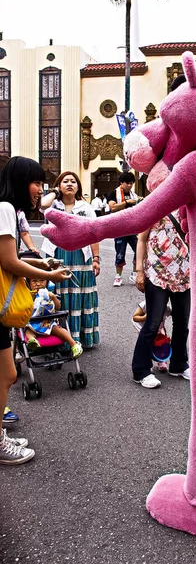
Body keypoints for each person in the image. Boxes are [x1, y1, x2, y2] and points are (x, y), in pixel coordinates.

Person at [0, 156, 71, 464]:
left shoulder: (8, 210)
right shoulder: (5, 209)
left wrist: (43, 263)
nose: (40, 189)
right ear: (19, 182)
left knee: (7, 374)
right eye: (37, 182)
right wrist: (49, 274)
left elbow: (11, 257)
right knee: (7, 375)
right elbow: (8, 262)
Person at [40, 171, 100, 349]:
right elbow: (42, 204)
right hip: (57, 254)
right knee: (58, 294)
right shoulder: (53, 206)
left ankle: (82, 337)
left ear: (78, 187)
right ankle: (60, 338)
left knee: (82, 296)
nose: (69, 184)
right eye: (65, 181)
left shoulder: (86, 207)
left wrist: (96, 258)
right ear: (59, 185)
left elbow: (94, 233)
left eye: (73, 181)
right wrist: (54, 192)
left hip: (81, 256)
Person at [133, 211, 190, 388]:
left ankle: (179, 365)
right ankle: (141, 371)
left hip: (183, 273)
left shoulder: (186, 207)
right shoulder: (155, 204)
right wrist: (139, 271)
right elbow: (141, 239)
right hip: (157, 273)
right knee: (152, 323)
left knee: (182, 322)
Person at [24, 278, 83, 358]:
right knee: (28, 330)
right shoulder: (27, 294)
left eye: (42, 280)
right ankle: (33, 341)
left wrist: (53, 298)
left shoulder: (50, 293)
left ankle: (74, 344)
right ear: (29, 283)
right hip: (32, 323)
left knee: (58, 329)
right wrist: (32, 297)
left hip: (48, 322)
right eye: (34, 281)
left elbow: (58, 307)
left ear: (47, 282)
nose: (38, 284)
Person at [107, 172, 142, 287]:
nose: (130, 186)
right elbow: (113, 208)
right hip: (119, 228)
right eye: (127, 183)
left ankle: (134, 273)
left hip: (133, 228)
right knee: (120, 253)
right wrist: (127, 202)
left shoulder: (134, 195)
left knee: (139, 250)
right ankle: (118, 276)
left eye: (132, 183)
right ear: (121, 183)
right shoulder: (113, 194)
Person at [132, 299, 172, 372]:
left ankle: (161, 361)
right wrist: (146, 317)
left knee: (161, 344)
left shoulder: (166, 308)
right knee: (146, 345)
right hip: (145, 328)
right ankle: (146, 363)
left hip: (159, 328)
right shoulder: (145, 305)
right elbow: (135, 317)